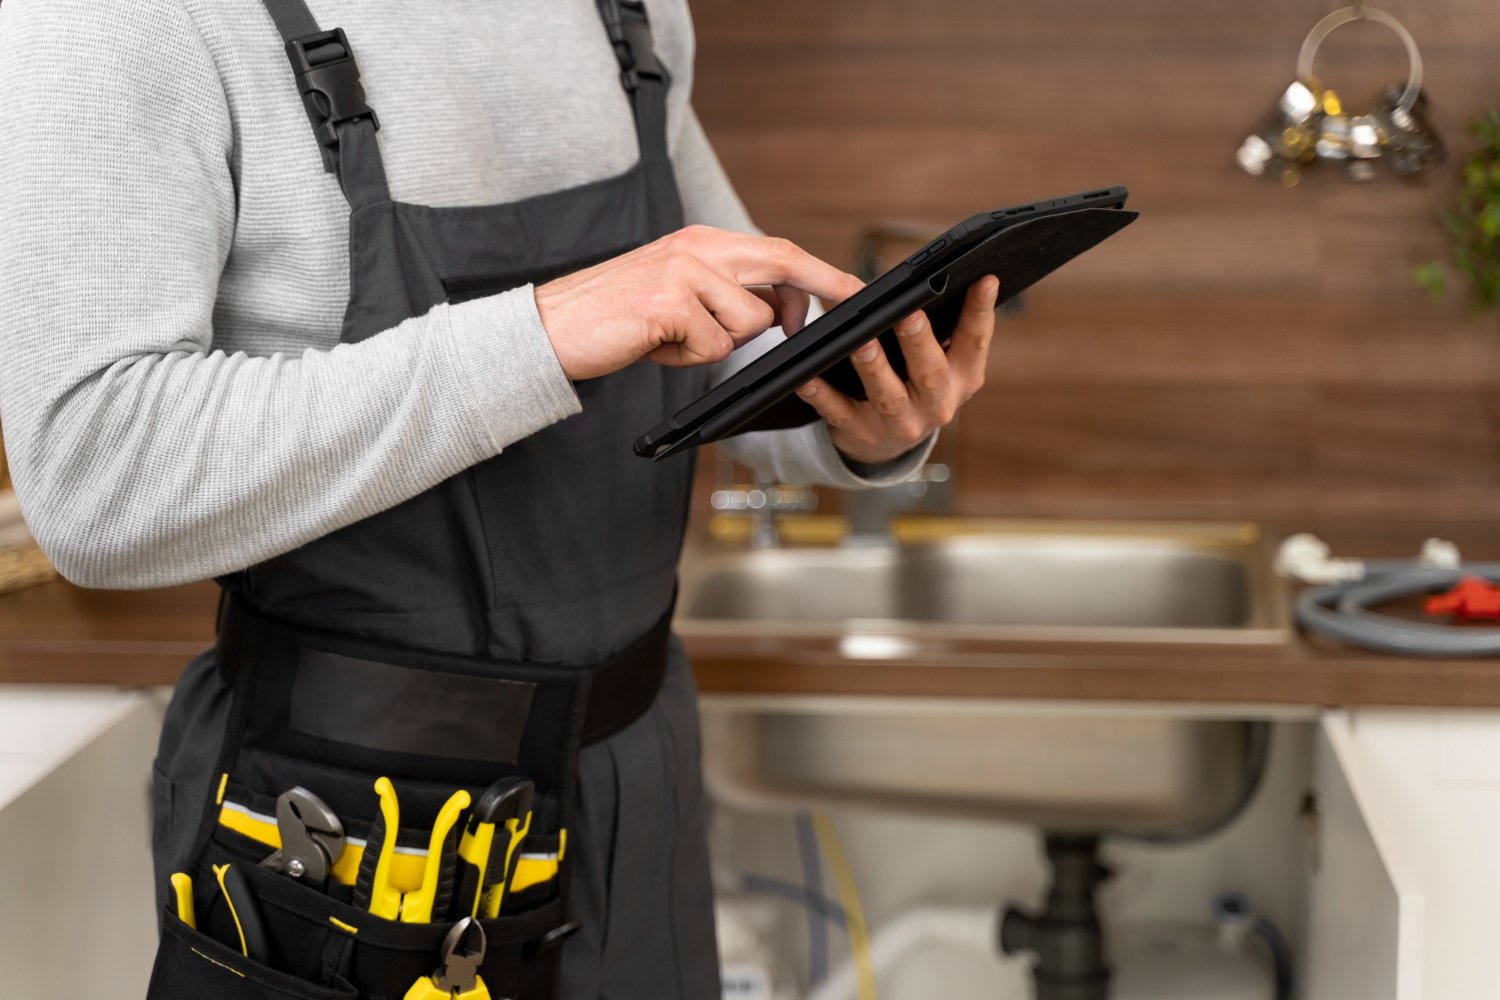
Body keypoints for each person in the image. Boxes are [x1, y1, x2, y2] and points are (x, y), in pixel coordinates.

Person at [0, 1, 997, 997]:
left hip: (641, 780)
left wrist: (853, 414)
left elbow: (727, 324)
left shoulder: (625, 9)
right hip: (353, 831)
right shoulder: (125, 20)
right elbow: (95, 480)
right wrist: (541, 335)